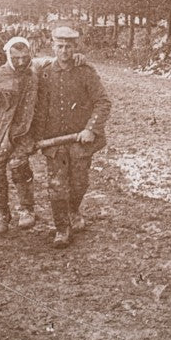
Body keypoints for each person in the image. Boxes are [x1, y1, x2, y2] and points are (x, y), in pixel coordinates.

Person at [31, 26, 112, 248]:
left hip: (80, 141)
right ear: (52, 46)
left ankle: (73, 209)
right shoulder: (44, 72)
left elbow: (103, 102)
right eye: (60, 46)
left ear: (75, 48)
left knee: (78, 184)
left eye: (68, 46)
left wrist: (91, 129)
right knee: (57, 186)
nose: (64, 50)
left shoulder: (85, 71)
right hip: (54, 142)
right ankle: (61, 229)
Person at [0, 36, 39, 234]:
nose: (21, 62)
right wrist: (2, 128)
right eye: (16, 58)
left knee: (20, 169)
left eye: (25, 57)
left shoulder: (32, 76)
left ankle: (27, 209)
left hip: (22, 134)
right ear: (8, 56)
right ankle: (1, 212)